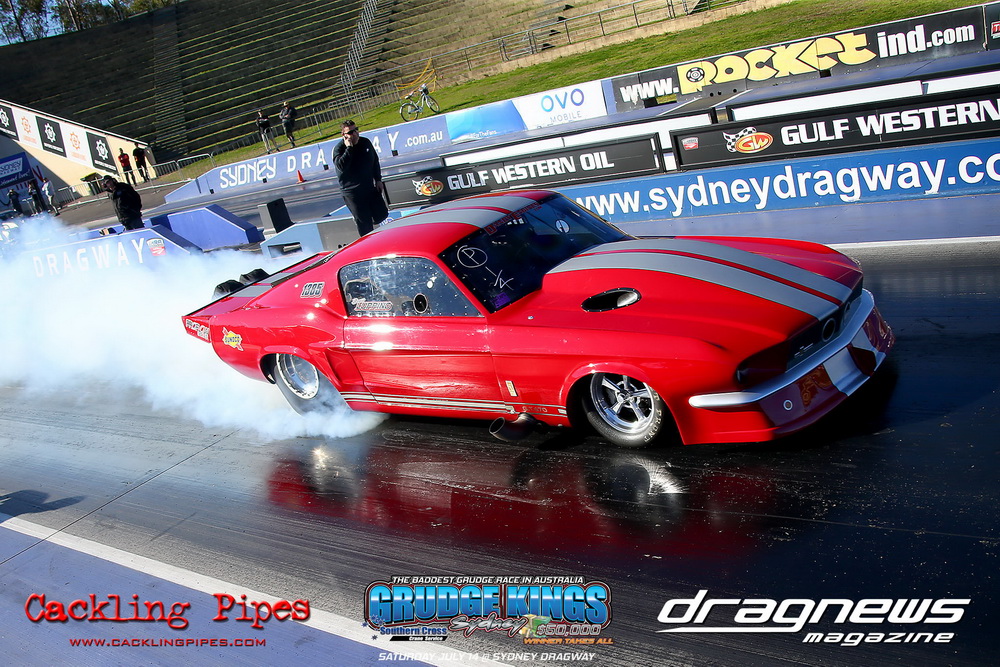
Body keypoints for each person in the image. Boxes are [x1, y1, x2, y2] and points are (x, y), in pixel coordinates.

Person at [333, 120, 388, 236]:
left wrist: (378, 179)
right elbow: (341, 167)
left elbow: (374, 161)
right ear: (344, 135)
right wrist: (349, 148)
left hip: (368, 186)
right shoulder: (339, 149)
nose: (355, 134)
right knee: (364, 224)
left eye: (356, 130)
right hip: (352, 192)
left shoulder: (365, 142)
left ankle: (367, 219)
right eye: (350, 132)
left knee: (382, 214)